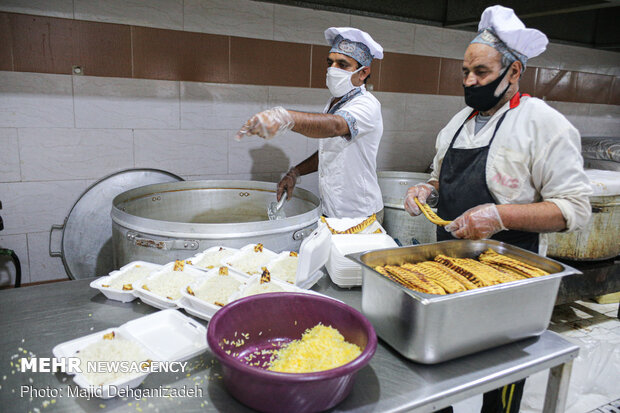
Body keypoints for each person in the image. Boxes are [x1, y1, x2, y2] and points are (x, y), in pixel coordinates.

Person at [404, 5, 592, 413]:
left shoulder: (543, 123)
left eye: (482, 73)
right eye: (465, 72)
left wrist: (501, 216)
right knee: (440, 365)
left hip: (509, 279)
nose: (470, 81)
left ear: (514, 71)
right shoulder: (456, 123)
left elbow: (574, 209)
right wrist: (426, 189)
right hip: (447, 270)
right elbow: (441, 180)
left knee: (503, 374)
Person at [236, 27, 385, 221]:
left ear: (363, 72)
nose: (333, 69)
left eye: (342, 64)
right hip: (332, 210)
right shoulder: (335, 103)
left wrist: (286, 117)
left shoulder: (367, 104)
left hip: (360, 215)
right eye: (330, 63)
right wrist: (295, 173)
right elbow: (330, 150)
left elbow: (334, 127)